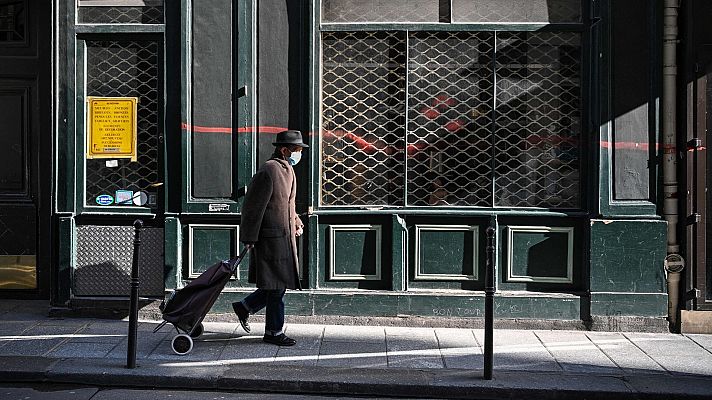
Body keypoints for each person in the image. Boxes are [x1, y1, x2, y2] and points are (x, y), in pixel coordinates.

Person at [232, 130, 307, 346]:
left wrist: (296, 223)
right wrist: (249, 237)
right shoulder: (269, 170)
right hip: (270, 240)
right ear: (284, 150)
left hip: (284, 238)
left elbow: (287, 205)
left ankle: (245, 307)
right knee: (277, 287)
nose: (299, 154)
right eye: (297, 150)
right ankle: (273, 332)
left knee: (277, 285)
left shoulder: (288, 170)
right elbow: (253, 208)